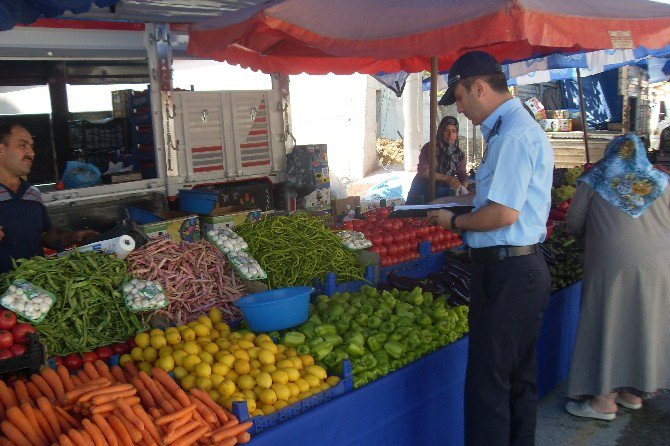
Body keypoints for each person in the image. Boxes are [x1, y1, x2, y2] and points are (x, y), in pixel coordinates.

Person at [426, 51, 554, 446]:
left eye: (461, 98)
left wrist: (455, 222)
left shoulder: (513, 134)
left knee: (490, 387)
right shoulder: (510, 130)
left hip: (507, 274)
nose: (460, 109)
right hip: (520, 271)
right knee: (517, 381)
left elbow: (502, 214)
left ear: (478, 87)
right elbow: (498, 201)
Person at [564, 133, 670, 420]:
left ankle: (603, 402)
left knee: (608, 321)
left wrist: (588, 238)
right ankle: (634, 393)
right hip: (660, 262)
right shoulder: (660, 180)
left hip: (612, 261)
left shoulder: (598, 177)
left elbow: (574, 220)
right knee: (643, 322)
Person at [0, 123, 98, 274]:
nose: (31, 153)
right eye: (22, 145)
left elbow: (45, 235)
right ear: (1, 150)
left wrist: (76, 236)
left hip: (35, 288)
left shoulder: (32, 193)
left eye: (31, 146)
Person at [405, 115, 468, 204]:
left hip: (443, 195)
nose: (450, 134)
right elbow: (423, 171)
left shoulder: (459, 155)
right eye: (446, 130)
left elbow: (463, 176)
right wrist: (447, 178)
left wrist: (462, 189)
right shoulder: (430, 148)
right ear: (441, 131)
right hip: (422, 190)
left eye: (454, 131)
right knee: (416, 216)